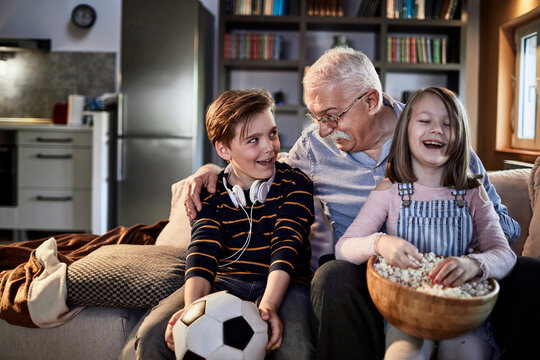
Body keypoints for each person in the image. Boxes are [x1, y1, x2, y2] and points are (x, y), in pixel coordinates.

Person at [181, 47, 537, 359]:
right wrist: (215, 168)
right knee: (331, 275)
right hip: (363, 272)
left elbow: (503, 232)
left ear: (371, 101)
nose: (322, 129)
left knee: (529, 272)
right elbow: (263, 168)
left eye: (332, 116)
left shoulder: (437, 141)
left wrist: (467, 255)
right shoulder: (314, 148)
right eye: (315, 116)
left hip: (447, 274)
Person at [131, 88, 315, 359]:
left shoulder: (296, 184)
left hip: (284, 285)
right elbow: (202, 252)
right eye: (253, 140)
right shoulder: (211, 193)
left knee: (295, 349)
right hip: (226, 281)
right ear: (224, 148)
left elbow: (286, 246)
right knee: (151, 338)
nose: (269, 147)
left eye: (272, 134)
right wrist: (193, 314)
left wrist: (269, 306)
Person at [335, 86, 517, 359]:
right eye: (424, 121)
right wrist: (380, 243)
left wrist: (474, 264)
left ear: (461, 136)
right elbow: (344, 248)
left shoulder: (473, 193)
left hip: (462, 314)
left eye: (449, 124)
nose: (437, 130)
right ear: (406, 130)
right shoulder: (389, 192)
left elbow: (505, 255)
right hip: (406, 313)